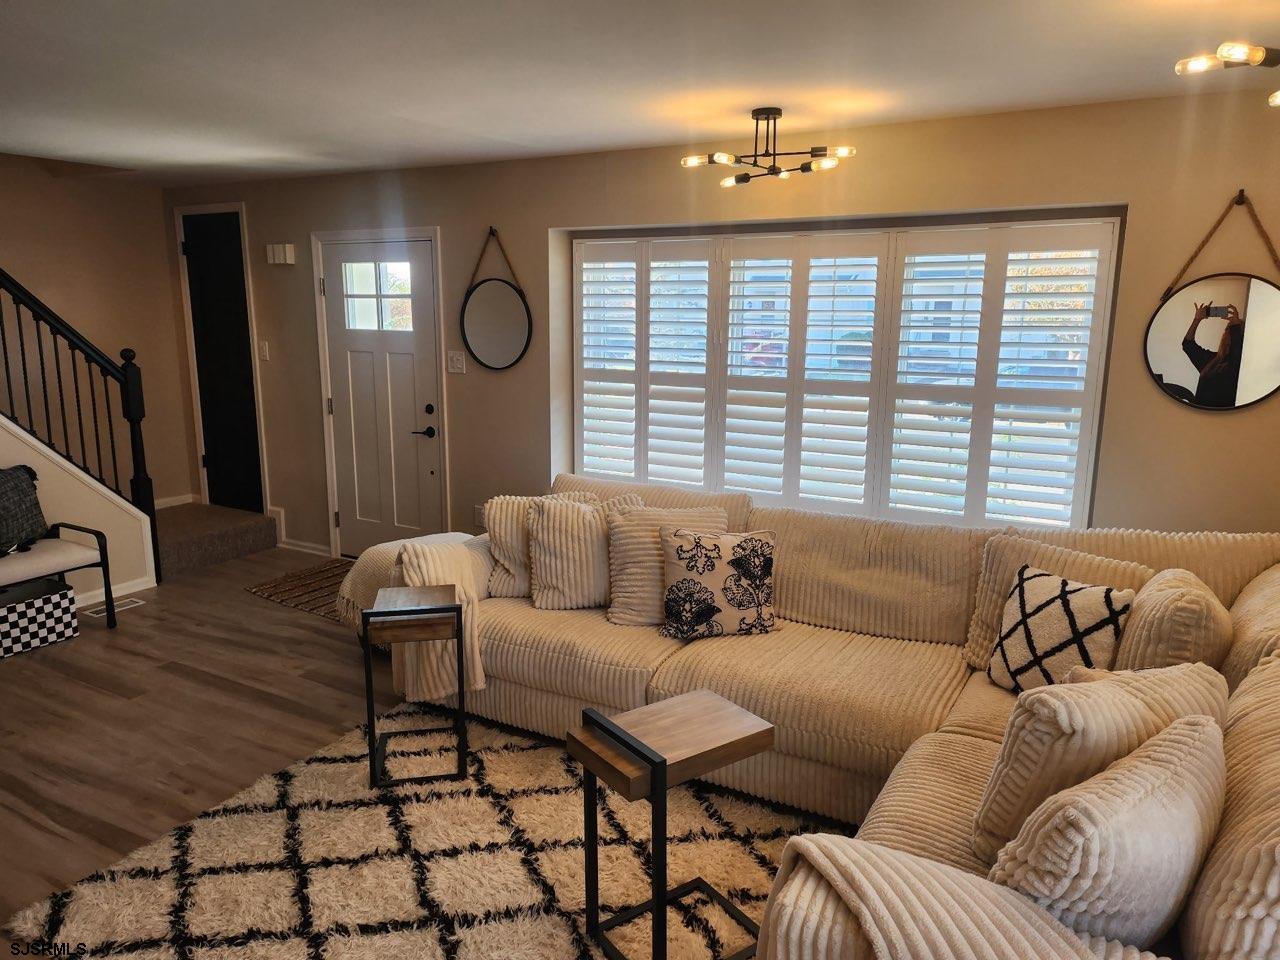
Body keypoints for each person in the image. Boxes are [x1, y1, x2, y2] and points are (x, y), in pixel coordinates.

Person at [1182, 301, 1245, 408]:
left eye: (1237, 330)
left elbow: (1236, 355)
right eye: (1228, 329)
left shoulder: (1242, 365)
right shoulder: (1212, 360)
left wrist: (1235, 326)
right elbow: (1188, 345)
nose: (1228, 334)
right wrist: (1197, 320)